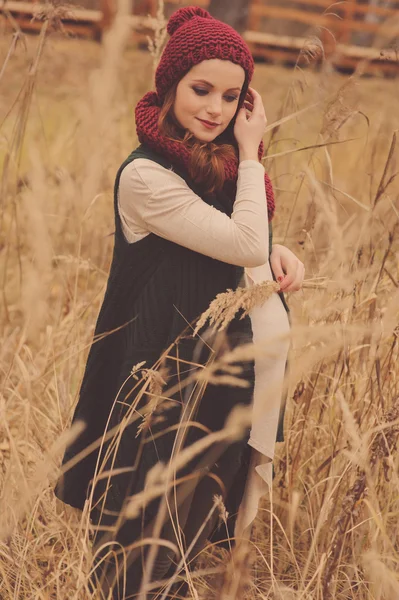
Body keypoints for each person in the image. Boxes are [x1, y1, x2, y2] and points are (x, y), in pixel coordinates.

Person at [54, 6, 304, 599]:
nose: (215, 109)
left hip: (217, 376)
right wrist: (251, 151)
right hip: (160, 380)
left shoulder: (210, 170)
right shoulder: (147, 176)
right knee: (138, 538)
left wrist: (276, 249)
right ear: (168, 85)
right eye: (200, 89)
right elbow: (240, 235)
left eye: (231, 95)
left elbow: (229, 237)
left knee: (186, 536)